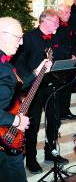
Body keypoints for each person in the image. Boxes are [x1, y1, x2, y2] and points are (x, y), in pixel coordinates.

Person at [15, 9, 69, 174]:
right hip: (34, 89)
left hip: (53, 86)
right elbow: (20, 62)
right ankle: (31, 159)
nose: (58, 25)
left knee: (54, 122)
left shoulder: (57, 37)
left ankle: (50, 152)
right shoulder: (29, 37)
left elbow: (62, 56)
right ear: (45, 21)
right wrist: (30, 77)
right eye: (55, 22)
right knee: (33, 125)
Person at [0, 17, 33, 182]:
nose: (21, 43)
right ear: (3, 35)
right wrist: (15, 120)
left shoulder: (5, 63)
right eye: (18, 38)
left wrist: (38, 71)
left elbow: (15, 86)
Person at [56, 3, 76, 120]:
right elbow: (58, 45)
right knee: (60, 88)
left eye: (70, 12)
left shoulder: (68, 25)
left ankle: (65, 111)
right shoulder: (56, 26)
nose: (70, 14)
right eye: (67, 12)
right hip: (61, 61)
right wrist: (70, 55)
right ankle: (58, 112)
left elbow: (73, 42)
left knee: (68, 87)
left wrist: (75, 54)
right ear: (59, 12)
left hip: (71, 60)